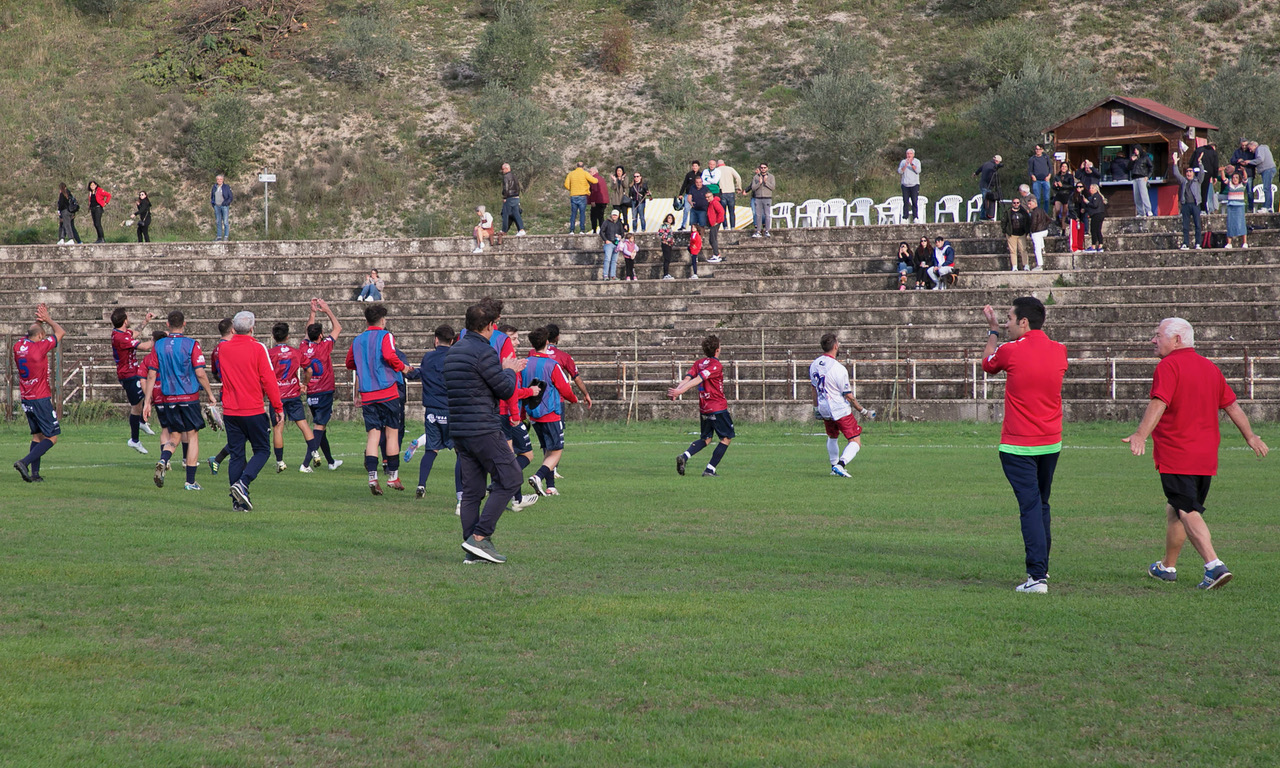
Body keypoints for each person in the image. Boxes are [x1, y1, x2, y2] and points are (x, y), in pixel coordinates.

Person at [1122, 318, 1269, 590]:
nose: (1154, 340)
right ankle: (1167, 566)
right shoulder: (1209, 367)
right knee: (1177, 509)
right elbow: (1232, 406)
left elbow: (1159, 402)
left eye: (1158, 335)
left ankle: (1214, 565)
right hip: (1205, 456)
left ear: (1176, 339)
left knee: (1187, 509)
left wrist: (1141, 434)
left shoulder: (1169, 366)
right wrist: (1250, 436)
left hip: (1178, 453)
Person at [980, 297, 1068, 593]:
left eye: (1008, 318)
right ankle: (1042, 568)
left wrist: (992, 332)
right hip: (1050, 443)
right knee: (1042, 505)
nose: (1005, 323)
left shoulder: (1010, 350)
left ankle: (1037, 577)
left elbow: (987, 364)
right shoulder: (1060, 350)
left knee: (1030, 507)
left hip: (1018, 445)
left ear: (1024, 322)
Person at [444, 301, 528, 564]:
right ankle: (480, 537)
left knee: (472, 491)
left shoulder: (454, 350)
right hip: (482, 427)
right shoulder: (484, 351)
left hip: (459, 428)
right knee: (512, 478)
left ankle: (473, 552)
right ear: (490, 326)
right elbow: (503, 389)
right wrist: (510, 371)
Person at [142, 310, 218, 491]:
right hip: (189, 397)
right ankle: (190, 482)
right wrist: (210, 393)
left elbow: (151, 375)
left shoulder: (159, 345)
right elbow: (199, 372)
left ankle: (163, 459)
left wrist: (147, 402)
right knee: (192, 436)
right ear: (184, 324)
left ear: (167, 325)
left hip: (168, 398)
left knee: (174, 435)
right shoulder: (191, 344)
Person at [345, 303, 414, 495]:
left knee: (373, 435)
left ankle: (372, 477)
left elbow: (349, 362)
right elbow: (389, 355)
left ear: (366, 320)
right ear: (383, 320)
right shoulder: (386, 336)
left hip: (367, 393)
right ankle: (392, 477)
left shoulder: (358, 340)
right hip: (387, 391)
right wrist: (403, 368)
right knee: (392, 433)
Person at [218, 311, 283, 511]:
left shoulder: (223, 348)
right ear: (252, 328)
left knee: (237, 454)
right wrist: (278, 406)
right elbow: (269, 379)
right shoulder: (258, 348)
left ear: (233, 329)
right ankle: (243, 483)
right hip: (252, 408)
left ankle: (238, 502)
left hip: (230, 410)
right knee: (262, 450)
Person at [522, 327, 579, 497]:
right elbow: (564, 388)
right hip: (550, 413)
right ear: (547, 342)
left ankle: (550, 486)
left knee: (547, 448)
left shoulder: (525, 363)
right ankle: (538, 476)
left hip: (533, 413)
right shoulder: (552, 365)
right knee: (557, 450)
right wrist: (574, 399)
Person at [12, 304, 66, 483]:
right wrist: (48, 319)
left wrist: (38, 322)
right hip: (40, 398)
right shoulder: (39, 348)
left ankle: (34, 474)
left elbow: (32, 333)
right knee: (52, 437)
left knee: (37, 436)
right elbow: (60, 332)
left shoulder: (18, 346)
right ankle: (24, 462)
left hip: (26, 398)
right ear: (41, 336)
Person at [405, 324, 458, 499]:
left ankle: (421, 484)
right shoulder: (455, 357)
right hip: (451, 410)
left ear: (436, 340)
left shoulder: (428, 358)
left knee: (431, 450)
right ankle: (462, 492)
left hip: (431, 411)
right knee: (462, 452)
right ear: (452, 341)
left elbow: (422, 373)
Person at [668, 335, 734, 477]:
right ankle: (710, 469)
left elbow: (688, 378)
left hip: (704, 408)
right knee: (726, 438)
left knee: (706, 439)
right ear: (717, 350)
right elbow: (698, 379)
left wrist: (677, 390)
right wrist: (680, 391)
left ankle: (684, 457)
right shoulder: (716, 365)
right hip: (717, 407)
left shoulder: (698, 363)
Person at [809, 334, 873, 477]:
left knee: (832, 436)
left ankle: (833, 467)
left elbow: (813, 388)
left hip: (824, 407)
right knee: (855, 441)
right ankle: (840, 465)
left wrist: (815, 408)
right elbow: (848, 395)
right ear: (835, 346)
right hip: (838, 408)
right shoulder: (838, 368)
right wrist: (863, 411)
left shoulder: (814, 364)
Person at [268, 322, 320, 474]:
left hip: (277, 396)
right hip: (293, 393)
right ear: (288, 336)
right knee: (303, 424)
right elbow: (309, 370)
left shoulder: (270, 353)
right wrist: (304, 384)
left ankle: (280, 462)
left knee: (278, 428)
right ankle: (315, 453)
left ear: (273, 336)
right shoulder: (295, 352)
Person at [299, 298, 344, 471]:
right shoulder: (324, 345)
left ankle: (331, 462)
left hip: (311, 391)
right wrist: (327, 310)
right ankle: (305, 464)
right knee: (319, 426)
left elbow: (307, 331)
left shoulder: (304, 347)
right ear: (320, 335)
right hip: (324, 390)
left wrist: (312, 312)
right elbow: (338, 328)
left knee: (321, 426)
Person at [110, 308, 157, 453]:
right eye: (128, 317)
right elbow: (144, 346)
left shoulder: (121, 333)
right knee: (137, 406)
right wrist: (160, 338)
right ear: (125, 321)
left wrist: (145, 322)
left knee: (151, 393)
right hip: (128, 375)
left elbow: (135, 333)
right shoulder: (121, 338)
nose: (129, 319)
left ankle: (142, 422)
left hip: (134, 373)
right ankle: (134, 440)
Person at [206, 317, 236, 475]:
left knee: (241, 431)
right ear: (233, 330)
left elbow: (215, 373)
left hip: (227, 391)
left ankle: (219, 460)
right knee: (243, 431)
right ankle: (219, 459)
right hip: (236, 393)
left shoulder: (217, 349)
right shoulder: (231, 347)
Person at [1001, 196, 1032, 271]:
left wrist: (1027, 231)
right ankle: (1014, 266)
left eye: (1017, 203)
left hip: (1022, 234)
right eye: (1014, 203)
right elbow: (1004, 222)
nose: (1016, 204)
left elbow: (1028, 221)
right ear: (1012, 204)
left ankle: (1026, 265)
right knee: (1013, 251)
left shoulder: (1023, 212)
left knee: (1023, 250)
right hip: (1012, 234)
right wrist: (1005, 231)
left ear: (1019, 203)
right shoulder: (1008, 212)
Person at [1176, 167, 1203, 250]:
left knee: (1198, 225)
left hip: (1195, 205)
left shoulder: (1197, 181)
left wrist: (1200, 163)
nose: (1189, 173)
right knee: (1185, 226)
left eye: (1190, 171)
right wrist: (1174, 163)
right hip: (1186, 205)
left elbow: (1202, 173)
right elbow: (1176, 174)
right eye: (1187, 171)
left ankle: (1198, 243)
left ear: (1193, 173)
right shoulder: (1184, 181)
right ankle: (1186, 243)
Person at [1190, 141, 1220, 213]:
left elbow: (1191, 161)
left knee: (1195, 190)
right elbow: (1215, 165)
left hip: (1196, 172)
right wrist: (1215, 176)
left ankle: (1194, 208)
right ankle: (1203, 209)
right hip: (1206, 173)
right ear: (1213, 147)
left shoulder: (1198, 149)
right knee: (1204, 191)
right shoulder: (1213, 152)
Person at [563, 161, 592, 234]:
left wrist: (571, 189)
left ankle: (572, 230)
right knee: (582, 213)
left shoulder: (571, 173)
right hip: (582, 196)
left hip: (574, 195)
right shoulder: (585, 173)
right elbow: (594, 181)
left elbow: (566, 185)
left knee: (573, 213)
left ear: (576, 167)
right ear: (583, 167)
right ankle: (582, 230)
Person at [1246, 141, 1275, 213]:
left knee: (1266, 188)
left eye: (1250, 148)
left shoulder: (1260, 149)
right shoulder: (1264, 148)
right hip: (1269, 169)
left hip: (1267, 169)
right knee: (1267, 188)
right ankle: (1269, 207)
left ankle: (1267, 207)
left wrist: (1249, 161)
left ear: (1254, 146)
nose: (1250, 150)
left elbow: (1260, 159)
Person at [499, 163, 526, 236]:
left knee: (505, 214)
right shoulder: (515, 176)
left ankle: (504, 231)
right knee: (516, 214)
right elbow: (518, 187)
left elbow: (506, 188)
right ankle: (521, 229)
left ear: (506, 168)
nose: (502, 171)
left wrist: (505, 197)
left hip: (509, 197)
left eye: (503, 169)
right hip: (516, 197)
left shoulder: (506, 177)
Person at [748, 162, 775, 237]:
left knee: (767, 214)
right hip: (758, 198)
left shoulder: (771, 177)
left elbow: (773, 187)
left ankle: (767, 230)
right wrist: (759, 183)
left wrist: (766, 182)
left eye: (764, 167)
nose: (763, 169)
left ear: (767, 168)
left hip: (767, 198)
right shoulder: (756, 177)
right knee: (758, 215)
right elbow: (753, 188)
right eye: (762, 168)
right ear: (760, 168)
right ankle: (758, 231)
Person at [1223, 170, 1248, 248]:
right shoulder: (1230, 184)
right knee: (1230, 224)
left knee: (1241, 223)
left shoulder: (1242, 185)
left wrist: (1244, 170)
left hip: (1240, 207)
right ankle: (1229, 243)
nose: (1235, 179)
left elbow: (1246, 178)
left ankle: (1244, 242)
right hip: (1231, 206)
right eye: (1233, 177)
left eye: (1237, 177)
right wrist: (1223, 171)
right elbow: (1224, 179)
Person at [1229, 139, 1255, 213]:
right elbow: (1232, 161)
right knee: (1239, 191)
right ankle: (1239, 207)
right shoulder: (1237, 152)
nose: (1244, 147)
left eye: (1245, 145)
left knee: (1249, 191)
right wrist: (1238, 160)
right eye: (1242, 145)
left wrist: (1247, 163)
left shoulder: (1251, 152)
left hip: (1249, 174)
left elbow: (1255, 162)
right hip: (1239, 175)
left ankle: (1250, 208)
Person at [1026, 197, 1051, 271]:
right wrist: (1044, 226)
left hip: (1037, 232)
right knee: (1040, 239)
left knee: (1037, 250)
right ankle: (1042, 248)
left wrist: (1031, 232)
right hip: (1044, 231)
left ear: (1035, 203)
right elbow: (1049, 219)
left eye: (1030, 204)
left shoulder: (1034, 213)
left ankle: (1039, 265)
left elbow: (1034, 223)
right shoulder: (1042, 210)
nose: (1028, 206)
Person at [599, 209, 625, 280]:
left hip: (616, 244)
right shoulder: (606, 222)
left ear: (618, 216)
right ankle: (605, 275)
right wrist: (606, 240)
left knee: (614, 260)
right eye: (613, 215)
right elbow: (601, 232)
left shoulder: (619, 223)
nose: (614, 216)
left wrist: (620, 237)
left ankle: (613, 275)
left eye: (615, 215)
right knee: (607, 259)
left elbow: (622, 233)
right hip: (609, 244)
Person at [717, 159, 743, 229]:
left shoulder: (717, 170)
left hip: (721, 192)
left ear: (717, 164)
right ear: (724, 163)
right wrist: (738, 187)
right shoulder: (730, 169)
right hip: (731, 192)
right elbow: (738, 177)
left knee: (723, 212)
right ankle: (733, 227)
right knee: (731, 211)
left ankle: (725, 227)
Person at [897, 149, 922, 223]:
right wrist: (905, 165)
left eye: (910, 153)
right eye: (907, 153)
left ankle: (915, 217)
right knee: (905, 201)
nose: (909, 155)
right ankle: (905, 217)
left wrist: (911, 164)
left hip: (914, 184)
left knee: (914, 201)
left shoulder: (917, 161)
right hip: (905, 184)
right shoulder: (903, 162)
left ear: (913, 154)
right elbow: (900, 171)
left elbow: (918, 171)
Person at [975, 155, 1002, 220]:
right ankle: (983, 216)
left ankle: (985, 215)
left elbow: (980, 169)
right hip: (987, 186)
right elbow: (990, 177)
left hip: (983, 185)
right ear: (997, 161)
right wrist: (993, 184)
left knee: (985, 200)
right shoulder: (992, 167)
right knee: (986, 201)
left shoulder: (986, 164)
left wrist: (976, 173)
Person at [1051, 161, 1075, 232]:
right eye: (1062, 166)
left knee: (1064, 213)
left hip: (1066, 195)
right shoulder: (1057, 176)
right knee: (1057, 209)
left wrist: (1063, 186)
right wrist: (1055, 186)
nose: (1063, 168)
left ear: (1067, 168)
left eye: (1065, 167)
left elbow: (1071, 186)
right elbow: (1053, 187)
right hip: (1059, 194)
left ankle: (1063, 229)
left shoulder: (1070, 176)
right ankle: (1057, 218)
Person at [677, 160, 702, 230]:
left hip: (697, 195)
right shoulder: (689, 174)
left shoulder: (701, 174)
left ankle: (697, 225)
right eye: (693, 166)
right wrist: (680, 193)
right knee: (686, 210)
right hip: (688, 194)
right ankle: (683, 225)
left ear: (699, 167)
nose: (694, 167)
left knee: (697, 210)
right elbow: (684, 184)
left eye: (696, 166)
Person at [1129, 147, 1153, 217]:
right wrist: (1131, 161)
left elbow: (1151, 167)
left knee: (1144, 195)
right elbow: (1129, 168)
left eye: (1137, 150)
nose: (1135, 151)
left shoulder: (1145, 157)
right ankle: (1141, 212)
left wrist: (1148, 176)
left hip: (1142, 177)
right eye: (1135, 150)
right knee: (1137, 196)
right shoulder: (1134, 158)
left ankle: (1148, 210)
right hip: (1135, 178)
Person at [1027, 145, 1052, 211]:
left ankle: (1045, 214)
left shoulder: (1046, 157)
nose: (1038, 150)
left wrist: (1049, 176)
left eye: (1039, 149)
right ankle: (1037, 213)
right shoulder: (1032, 159)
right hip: (1036, 181)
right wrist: (1032, 176)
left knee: (1046, 198)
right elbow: (1030, 170)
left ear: (1042, 150)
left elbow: (1050, 168)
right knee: (1037, 199)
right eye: (1037, 149)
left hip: (1045, 180)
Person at [1083, 183, 1106, 252]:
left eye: (1092, 188)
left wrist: (1087, 202)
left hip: (1097, 215)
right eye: (1090, 188)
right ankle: (1100, 245)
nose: (1090, 190)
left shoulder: (1097, 196)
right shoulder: (1094, 197)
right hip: (1098, 214)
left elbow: (1095, 205)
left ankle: (1093, 246)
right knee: (1097, 230)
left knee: (1094, 230)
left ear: (1096, 189)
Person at [588, 165, 609, 234]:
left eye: (590, 171)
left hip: (597, 200)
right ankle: (602, 230)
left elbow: (594, 191)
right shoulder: (602, 179)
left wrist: (592, 200)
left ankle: (594, 230)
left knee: (593, 216)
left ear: (594, 172)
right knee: (601, 216)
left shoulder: (594, 179)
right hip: (603, 200)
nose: (589, 173)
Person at [211, 174, 232, 241]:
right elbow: (212, 196)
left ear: (223, 180)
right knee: (218, 221)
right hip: (217, 206)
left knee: (225, 221)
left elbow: (230, 197)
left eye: (220, 179)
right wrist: (213, 204)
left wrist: (226, 203)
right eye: (218, 179)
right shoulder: (214, 187)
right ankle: (219, 236)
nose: (219, 180)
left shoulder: (226, 187)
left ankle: (226, 236)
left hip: (224, 206)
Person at [705, 190, 725, 263]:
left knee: (713, 239)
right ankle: (716, 254)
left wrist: (717, 221)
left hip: (715, 223)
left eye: (709, 197)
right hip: (712, 223)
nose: (707, 198)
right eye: (706, 197)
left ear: (712, 196)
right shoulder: (711, 203)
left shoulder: (715, 202)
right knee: (712, 239)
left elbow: (721, 212)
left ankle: (716, 255)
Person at [657, 213, 678, 280]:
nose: (670, 219)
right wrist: (667, 239)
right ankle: (665, 274)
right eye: (669, 218)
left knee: (668, 259)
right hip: (665, 243)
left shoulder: (669, 226)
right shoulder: (664, 225)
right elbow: (660, 234)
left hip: (669, 244)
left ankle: (666, 273)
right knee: (666, 259)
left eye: (671, 218)